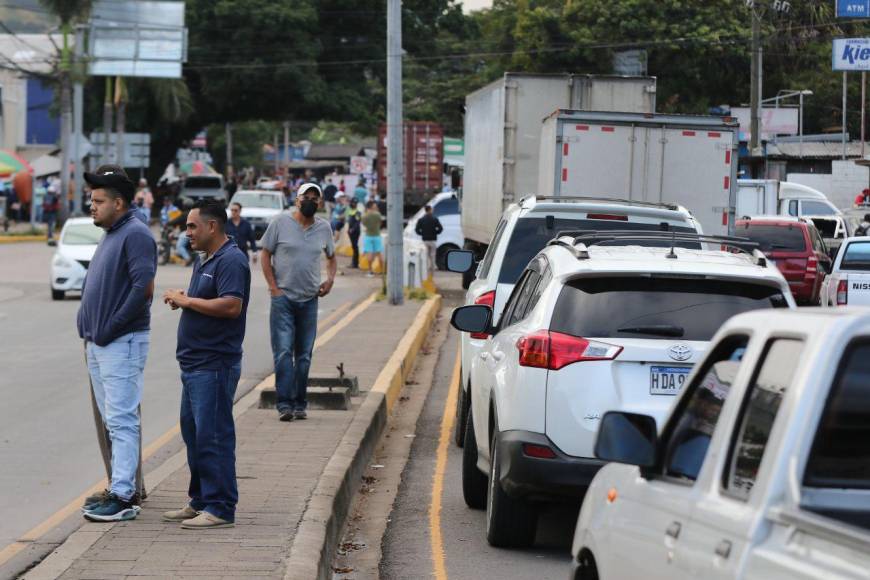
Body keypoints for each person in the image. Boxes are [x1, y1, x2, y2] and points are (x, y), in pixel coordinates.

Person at [162, 199, 251, 530]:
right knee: (194, 433)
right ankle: (200, 499)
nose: (187, 233)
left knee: (213, 435)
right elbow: (207, 300)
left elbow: (231, 306)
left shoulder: (232, 260)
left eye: (191, 226)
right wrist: (186, 300)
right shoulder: (206, 259)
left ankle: (221, 506)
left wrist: (188, 301)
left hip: (214, 363)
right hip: (194, 363)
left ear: (212, 226)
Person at [77, 164, 157, 522]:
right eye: (91, 199)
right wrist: (87, 324)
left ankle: (123, 496)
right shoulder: (113, 232)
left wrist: (110, 326)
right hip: (100, 341)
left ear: (120, 203)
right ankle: (119, 486)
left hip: (121, 341)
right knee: (113, 419)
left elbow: (143, 289)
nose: (91, 206)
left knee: (122, 420)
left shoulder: (136, 234)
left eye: (98, 200)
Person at [260, 183, 336, 422]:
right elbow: (265, 254)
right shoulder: (280, 224)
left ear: (320, 203)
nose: (311, 201)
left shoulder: (324, 228)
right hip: (283, 299)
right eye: (307, 197)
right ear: (297, 199)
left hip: (309, 300)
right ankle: (284, 404)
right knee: (283, 352)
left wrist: (330, 280)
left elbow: (331, 258)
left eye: (315, 198)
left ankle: (300, 403)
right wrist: (273, 288)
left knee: (303, 356)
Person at [415, 204, 443, 275]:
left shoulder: (421, 220)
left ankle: (425, 272)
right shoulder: (435, 219)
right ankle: (432, 272)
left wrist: (422, 234)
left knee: (426, 256)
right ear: (430, 210)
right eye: (432, 209)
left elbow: (417, 230)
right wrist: (435, 232)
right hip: (433, 240)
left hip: (425, 240)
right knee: (432, 256)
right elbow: (440, 229)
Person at [361, 201, 384, 278]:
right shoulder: (378, 215)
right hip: (377, 235)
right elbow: (380, 223)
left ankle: (370, 271)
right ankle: (382, 271)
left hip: (368, 236)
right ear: (372, 206)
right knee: (379, 253)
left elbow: (364, 224)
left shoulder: (365, 216)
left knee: (369, 254)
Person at [347, 198, 362, 268]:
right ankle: (354, 262)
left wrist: (352, 229)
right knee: (354, 247)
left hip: (355, 232)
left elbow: (357, 223)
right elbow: (350, 222)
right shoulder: (351, 211)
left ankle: (355, 263)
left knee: (355, 247)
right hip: (351, 231)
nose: (352, 204)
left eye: (353, 203)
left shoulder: (357, 212)